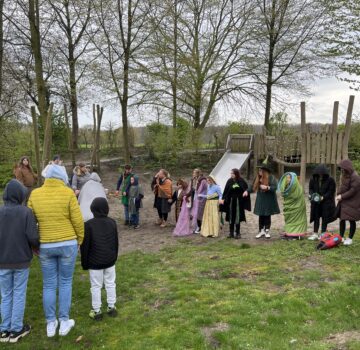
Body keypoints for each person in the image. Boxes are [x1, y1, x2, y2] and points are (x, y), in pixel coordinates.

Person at [28, 165, 84, 337]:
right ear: (62, 178)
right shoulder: (68, 193)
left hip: (45, 245)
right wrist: (79, 240)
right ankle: (64, 321)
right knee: (65, 282)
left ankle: (51, 323)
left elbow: (30, 223)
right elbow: (78, 220)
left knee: (49, 284)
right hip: (68, 243)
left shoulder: (35, 194)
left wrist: (34, 244)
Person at [0, 180, 39, 343]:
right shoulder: (26, 212)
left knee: (6, 294)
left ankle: (4, 330)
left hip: (3, 261)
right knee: (18, 293)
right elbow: (33, 236)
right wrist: (37, 246)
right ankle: (15, 329)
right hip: (21, 259)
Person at [80, 198, 119, 321]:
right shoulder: (111, 222)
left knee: (96, 286)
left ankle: (97, 311)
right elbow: (115, 243)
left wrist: (85, 263)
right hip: (109, 260)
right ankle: (111, 307)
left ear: (93, 209)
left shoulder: (88, 225)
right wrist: (114, 257)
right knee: (110, 283)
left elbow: (84, 247)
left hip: (95, 262)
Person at [243, 157, 280, 239]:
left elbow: (275, 187)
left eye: (260, 170)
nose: (259, 172)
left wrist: (267, 188)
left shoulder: (271, 178)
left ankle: (267, 231)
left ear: (265, 171)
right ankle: (261, 231)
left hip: (269, 200)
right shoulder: (258, 178)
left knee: (267, 215)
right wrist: (247, 191)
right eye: (259, 170)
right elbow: (252, 187)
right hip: (260, 200)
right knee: (261, 215)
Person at [308, 164, 336, 240]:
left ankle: (323, 233)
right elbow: (310, 188)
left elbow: (331, 191)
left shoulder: (330, 180)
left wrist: (323, 197)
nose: (320, 175)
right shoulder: (313, 179)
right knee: (316, 217)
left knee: (325, 217)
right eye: (319, 173)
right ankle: (315, 233)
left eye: (322, 173)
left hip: (326, 202)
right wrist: (311, 195)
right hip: (316, 202)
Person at [220, 169, 251, 239]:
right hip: (230, 202)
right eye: (231, 173)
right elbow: (226, 191)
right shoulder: (229, 181)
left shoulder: (241, 180)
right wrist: (223, 199)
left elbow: (246, 188)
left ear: (236, 174)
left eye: (233, 173)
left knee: (237, 217)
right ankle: (231, 233)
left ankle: (238, 233)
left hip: (238, 202)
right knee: (231, 217)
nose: (231, 175)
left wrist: (245, 191)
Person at [336, 159, 360, 245]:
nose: (342, 170)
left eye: (343, 168)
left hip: (353, 201)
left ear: (347, 168)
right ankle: (341, 237)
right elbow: (343, 186)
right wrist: (338, 193)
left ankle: (350, 238)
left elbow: (353, 190)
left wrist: (342, 196)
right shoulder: (344, 175)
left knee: (351, 219)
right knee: (342, 219)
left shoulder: (355, 177)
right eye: (341, 169)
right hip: (344, 201)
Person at [278, 172, 308, 239]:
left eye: (289, 178)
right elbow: (284, 194)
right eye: (287, 178)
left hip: (297, 206)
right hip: (289, 206)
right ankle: (290, 232)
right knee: (289, 219)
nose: (288, 179)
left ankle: (297, 234)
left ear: (293, 179)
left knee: (296, 219)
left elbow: (296, 196)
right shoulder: (286, 187)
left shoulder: (297, 187)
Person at [188, 169, 207, 234]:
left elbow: (199, 190)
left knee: (199, 212)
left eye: (194, 173)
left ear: (197, 173)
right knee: (195, 211)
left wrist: (195, 187)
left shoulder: (203, 180)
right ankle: (196, 226)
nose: (193, 174)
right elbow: (192, 188)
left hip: (201, 197)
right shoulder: (196, 179)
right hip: (196, 196)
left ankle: (200, 227)